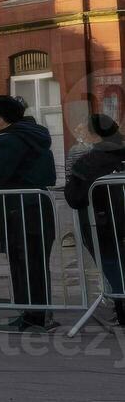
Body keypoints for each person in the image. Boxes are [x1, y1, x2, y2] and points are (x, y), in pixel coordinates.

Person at [0, 94, 57, 333]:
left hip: (19, 210)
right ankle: (37, 314)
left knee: (24, 264)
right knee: (35, 263)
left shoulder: (9, 141)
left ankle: (32, 316)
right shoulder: (33, 136)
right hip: (34, 208)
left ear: (2, 117)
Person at [65, 114, 125, 328]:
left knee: (114, 267)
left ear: (94, 135)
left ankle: (122, 309)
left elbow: (74, 197)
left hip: (104, 224)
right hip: (113, 222)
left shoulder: (89, 161)